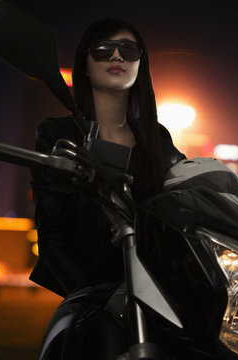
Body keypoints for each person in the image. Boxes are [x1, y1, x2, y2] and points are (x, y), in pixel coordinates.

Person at [29, 18, 186, 359]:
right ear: (85, 64)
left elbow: (187, 193)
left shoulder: (157, 139)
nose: (117, 55)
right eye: (103, 49)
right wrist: (89, 293)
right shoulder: (57, 133)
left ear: (140, 64)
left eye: (128, 49)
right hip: (90, 293)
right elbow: (51, 230)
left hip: (158, 290)